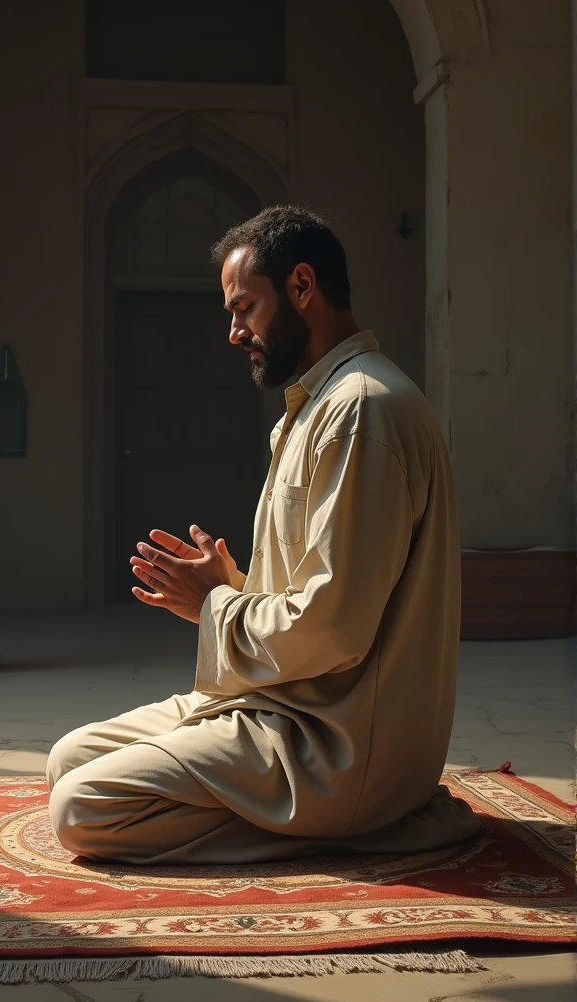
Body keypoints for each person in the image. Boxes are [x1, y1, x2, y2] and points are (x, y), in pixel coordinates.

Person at [47, 205, 479, 864]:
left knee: (82, 809)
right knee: (66, 760)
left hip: (335, 741)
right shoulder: (321, 408)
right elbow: (336, 596)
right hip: (284, 704)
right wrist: (236, 587)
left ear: (301, 286)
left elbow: (334, 630)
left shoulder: (360, 413)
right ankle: (320, 821)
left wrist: (213, 606)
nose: (233, 331)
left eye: (244, 308)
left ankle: (373, 826)